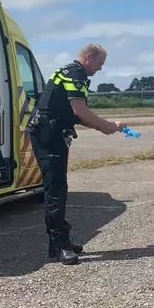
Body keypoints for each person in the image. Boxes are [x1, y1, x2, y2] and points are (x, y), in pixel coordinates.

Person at [28, 43, 125, 265]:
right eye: (100, 63)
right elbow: (79, 110)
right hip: (48, 135)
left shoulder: (67, 71)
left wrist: (102, 126)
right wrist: (105, 125)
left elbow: (76, 115)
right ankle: (60, 243)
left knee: (58, 187)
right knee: (55, 189)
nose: (100, 69)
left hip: (48, 132)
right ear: (88, 58)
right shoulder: (76, 74)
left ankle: (59, 242)